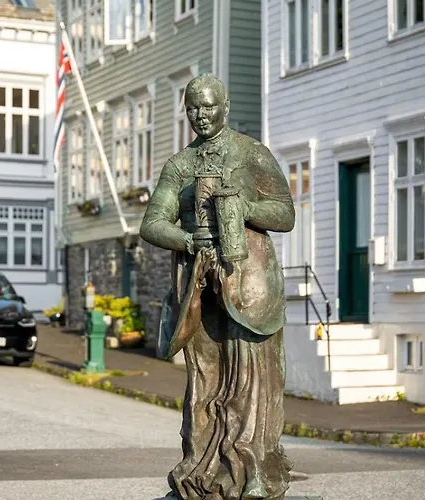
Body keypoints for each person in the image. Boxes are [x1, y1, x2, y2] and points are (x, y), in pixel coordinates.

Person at [140, 74, 296, 500]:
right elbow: (152, 223)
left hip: (250, 283)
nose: (201, 115)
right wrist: (188, 239)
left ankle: (254, 469)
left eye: (208, 106)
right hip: (201, 285)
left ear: (225, 106)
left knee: (252, 380)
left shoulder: (250, 153)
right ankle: (202, 469)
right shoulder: (179, 165)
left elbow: (285, 214)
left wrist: (246, 208)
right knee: (205, 382)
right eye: (192, 108)